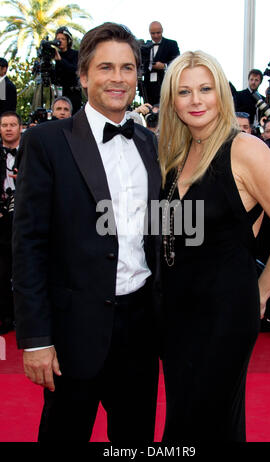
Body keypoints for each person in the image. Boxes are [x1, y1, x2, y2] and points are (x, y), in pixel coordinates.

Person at [12, 22, 161, 443]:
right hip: (72, 329)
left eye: (128, 68)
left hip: (140, 328)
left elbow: (162, 228)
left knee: (135, 441)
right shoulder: (46, 142)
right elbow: (29, 245)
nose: (118, 78)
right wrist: (36, 339)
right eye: (106, 67)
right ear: (83, 76)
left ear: (137, 76)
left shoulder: (150, 144)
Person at [158, 50, 270, 442]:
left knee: (208, 423)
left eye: (205, 88)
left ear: (221, 92)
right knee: (183, 421)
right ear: (172, 100)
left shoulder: (246, 150)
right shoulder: (175, 154)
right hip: (176, 315)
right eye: (184, 92)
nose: (196, 100)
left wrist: (260, 292)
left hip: (224, 313)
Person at [0, 111, 22, 335]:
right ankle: (6, 316)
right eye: (4, 125)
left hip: (25, 218)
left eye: (12, 124)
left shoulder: (31, 152)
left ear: (20, 127)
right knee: (2, 270)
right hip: (2, 222)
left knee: (24, 268)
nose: (8, 128)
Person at [143, 21, 180, 105]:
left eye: (158, 33)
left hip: (164, 82)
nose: (156, 36)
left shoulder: (171, 44)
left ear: (162, 31)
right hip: (148, 86)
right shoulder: (145, 46)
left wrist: (164, 66)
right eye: (153, 33)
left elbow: (177, 62)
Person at [54, 27, 82, 114]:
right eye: (58, 39)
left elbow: (75, 70)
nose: (60, 41)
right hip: (59, 93)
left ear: (68, 41)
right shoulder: (54, 54)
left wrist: (60, 60)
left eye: (63, 39)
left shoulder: (75, 54)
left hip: (73, 94)